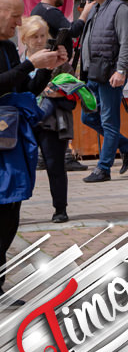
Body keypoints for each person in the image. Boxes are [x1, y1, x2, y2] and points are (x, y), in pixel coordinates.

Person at [0, 0, 66, 302]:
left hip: (9, 137)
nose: (17, 23)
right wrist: (29, 63)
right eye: (14, 16)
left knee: (12, 208)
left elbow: (24, 88)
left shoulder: (7, 47)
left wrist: (46, 67)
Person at [80, 0, 128, 183]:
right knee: (88, 116)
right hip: (93, 73)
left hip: (110, 73)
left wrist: (121, 70)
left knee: (109, 121)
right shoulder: (95, 8)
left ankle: (104, 168)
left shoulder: (120, 9)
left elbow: (127, 42)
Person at [31, 0, 90, 173]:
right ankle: (61, 155)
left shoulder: (37, 10)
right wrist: (86, 12)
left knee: (51, 106)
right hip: (56, 67)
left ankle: (44, 154)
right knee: (62, 105)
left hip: (44, 65)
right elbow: (72, 31)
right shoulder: (51, 13)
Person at [19, 16, 73, 222]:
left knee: (55, 164)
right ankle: (14, 209)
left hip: (53, 122)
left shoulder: (60, 62)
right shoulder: (19, 63)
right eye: (35, 36)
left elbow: (74, 96)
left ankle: (60, 208)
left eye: (43, 35)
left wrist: (59, 94)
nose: (40, 40)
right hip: (24, 122)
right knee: (21, 165)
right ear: (25, 39)